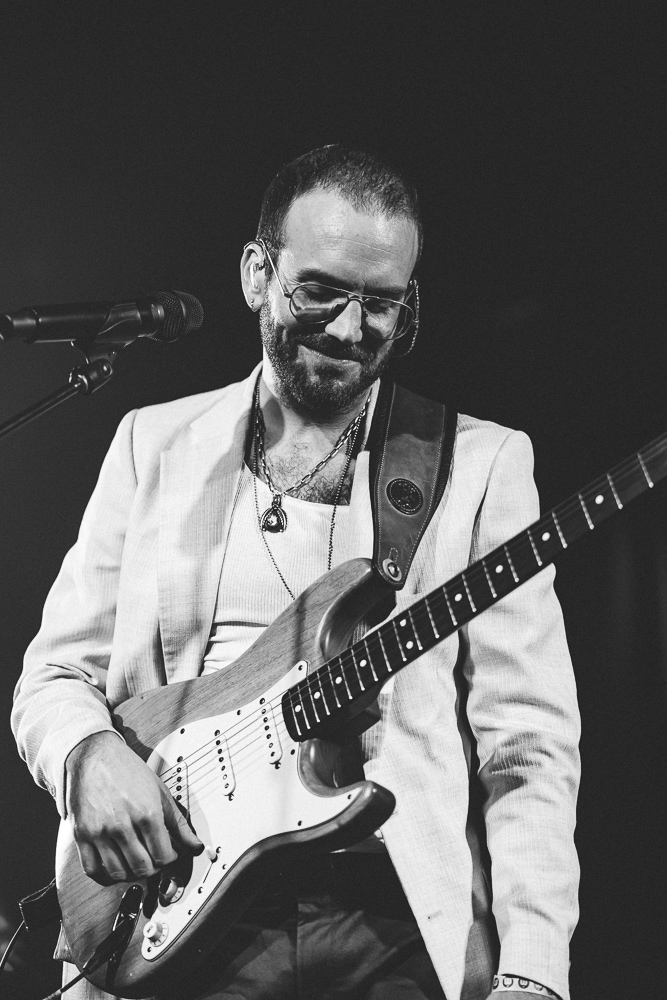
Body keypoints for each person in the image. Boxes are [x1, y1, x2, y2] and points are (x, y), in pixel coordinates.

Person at [12, 146, 579, 1000]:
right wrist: (87, 755)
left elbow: (527, 745)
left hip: (385, 922)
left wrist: (532, 973)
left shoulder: (479, 465)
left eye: (380, 301)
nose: (351, 329)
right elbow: (53, 674)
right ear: (256, 272)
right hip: (171, 914)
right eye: (320, 290)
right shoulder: (153, 444)